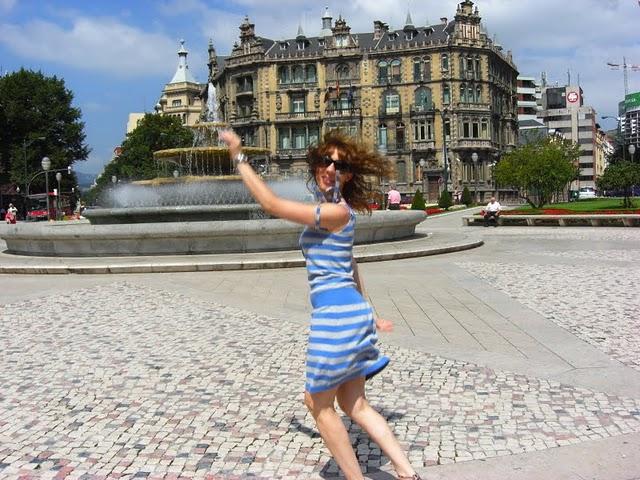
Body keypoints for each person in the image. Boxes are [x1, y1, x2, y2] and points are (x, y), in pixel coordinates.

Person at [220, 129, 421, 480]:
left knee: (317, 403)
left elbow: (270, 205)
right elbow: (351, 265)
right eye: (325, 161)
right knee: (353, 404)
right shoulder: (343, 212)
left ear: (348, 175)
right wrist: (370, 314)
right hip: (352, 314)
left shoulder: (336, 213)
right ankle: (406, 472)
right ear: (316, 165)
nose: (330, 168)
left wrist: (239, 156)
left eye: (339, 164)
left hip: (335, 319)